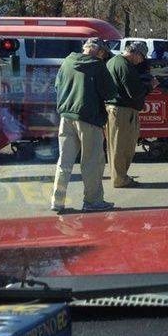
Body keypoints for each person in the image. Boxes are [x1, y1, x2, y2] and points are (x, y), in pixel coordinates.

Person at [50, 37, 116, 213]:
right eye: (103, 54)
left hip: (66, 117)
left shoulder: (67, 62)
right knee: (92, 162)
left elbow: (57, 86)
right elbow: (110, 92)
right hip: (89, 118)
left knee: (64, 161)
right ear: (99, 51)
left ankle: (57, 201)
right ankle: (92, 201)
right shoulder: (97, 66)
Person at [105, 41, 158, 188]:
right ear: (135, 53)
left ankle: (119, 177)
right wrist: (150, 86)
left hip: (118, 109)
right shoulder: (124, 65)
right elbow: (134, 92)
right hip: (122, 110)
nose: (141, 60)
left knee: (118, 145)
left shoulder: (114, 62)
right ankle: (120, 179)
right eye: (141, 56)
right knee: (122, 146)